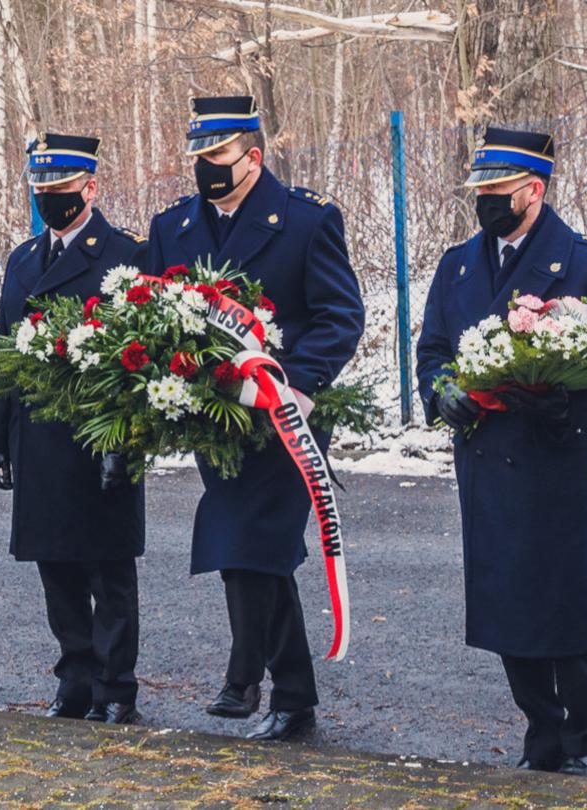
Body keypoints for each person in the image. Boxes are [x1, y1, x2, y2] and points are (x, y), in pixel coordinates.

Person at [414, 127, 587, 777]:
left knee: (563, 602)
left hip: (556, 461)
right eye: (479, 190)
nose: (483, 202)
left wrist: (567, 403)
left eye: (496, 190)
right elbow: (432, 351)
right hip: (487, 461)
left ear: (533, 192)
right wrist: (443, 391)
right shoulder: (457, 265)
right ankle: (541, 727)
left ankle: (586, 734)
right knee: (508, 603)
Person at [143, 95, 364, 741]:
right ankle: (294, 698)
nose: (206, 168)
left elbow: (339, 316)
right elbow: (157, 316)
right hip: (218, 418)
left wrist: (299, 383)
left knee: (249, 542)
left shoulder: (304, 220)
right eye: (199, 158)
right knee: (256, 549)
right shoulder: (173, 227)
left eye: (218, 157)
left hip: (285, 412)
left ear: (253, 157)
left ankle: (243, 677)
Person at [0, 133, 150, 725]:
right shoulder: (24, 259)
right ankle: (74, 680)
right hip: (41, 442)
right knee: (57, 570)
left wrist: (126, 441)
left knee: (108, 569)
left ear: (90, 188)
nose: (51, 200)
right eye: (42, 191)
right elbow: (6, 348)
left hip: (100, 438)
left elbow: (143, 355)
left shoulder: (125, 253)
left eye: (60, 190)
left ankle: (116, 688)